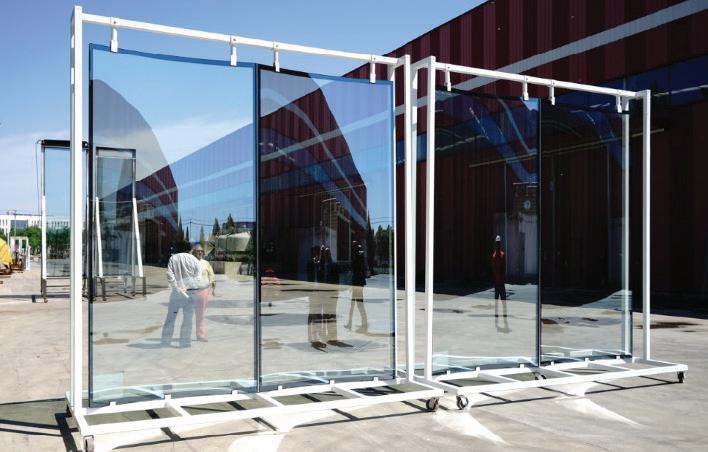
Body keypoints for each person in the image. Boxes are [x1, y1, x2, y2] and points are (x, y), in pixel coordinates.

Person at [161, 247, 202, 348]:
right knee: (188, 318)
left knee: (171, 317)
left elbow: (169, 274)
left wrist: (176, 286)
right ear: (190, 250)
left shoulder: (173, 258)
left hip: (176, 292)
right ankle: (184, 342)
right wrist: (186, 287)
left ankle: (166, 341)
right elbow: (197, 278)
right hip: (190, 292)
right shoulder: (196, 261)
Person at [192, 244, 215, 342]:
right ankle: (191, 334)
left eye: (202, 251)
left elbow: (211, 274)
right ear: (194, 252)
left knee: (200, 314)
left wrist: (212, 283)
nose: (200, 252)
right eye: (198, 251)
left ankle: (200, 334)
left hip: (203, 291)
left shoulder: (206, 263)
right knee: (190, 314)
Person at [344, 239, 368, 333]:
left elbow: (358, 270)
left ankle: (364, 325)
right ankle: (350, 323)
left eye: (354, 246)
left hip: (358, 283)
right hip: (357, 283)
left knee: (359, 304)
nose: (352, 248)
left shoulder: (359, 255)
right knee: (353, 304)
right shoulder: (357, 255)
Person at [491, 235, 509, 332]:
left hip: (498, 282)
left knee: (498, 299)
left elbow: (495, 269)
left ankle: (498, 314)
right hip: (500, 282)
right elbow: (502, 268)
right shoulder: (500, 255)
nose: (498, 245)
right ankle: (502, 314)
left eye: (498, 243)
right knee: (502, 299)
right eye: (497, 243)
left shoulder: (495, 255)